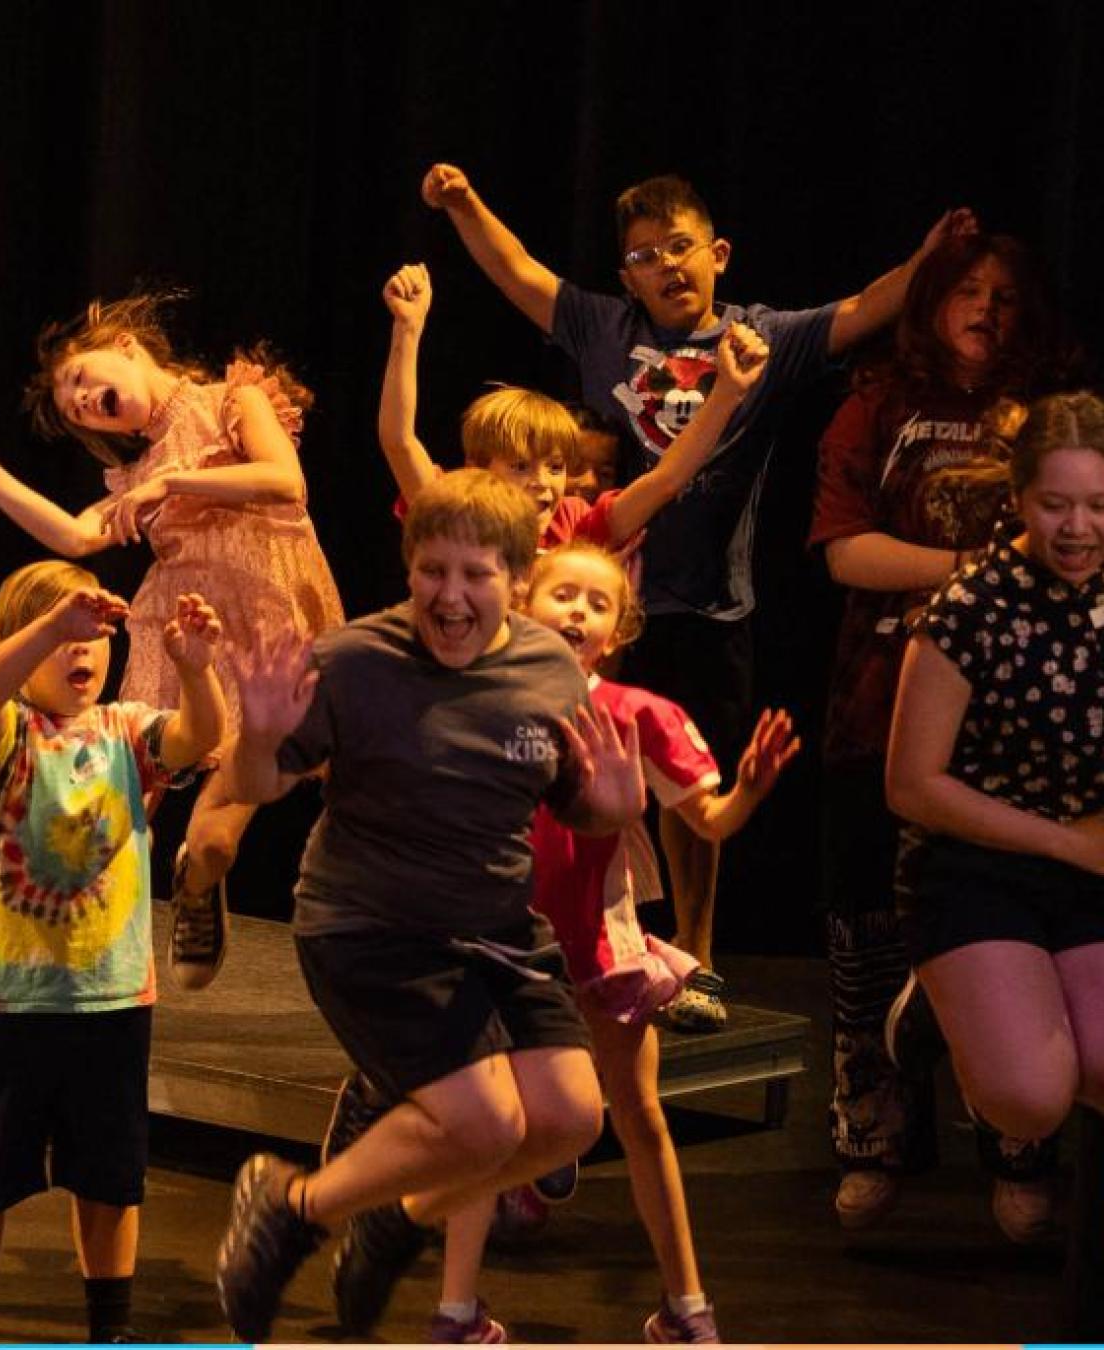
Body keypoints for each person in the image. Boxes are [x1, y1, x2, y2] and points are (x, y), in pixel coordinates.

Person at [423, 162, 974, 1028]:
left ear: (716, 252)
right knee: (558, 767)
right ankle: (588, 942)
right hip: (591, 605)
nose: (666, 266)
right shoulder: (604, 327)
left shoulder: (762, 338)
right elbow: (517, 271)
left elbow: (869, 307)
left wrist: (931, 260)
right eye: (644, 255)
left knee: (688, 784)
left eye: (680, 247)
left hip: (706, 604)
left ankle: (699, 955)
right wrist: (463, 204)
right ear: (626, 276)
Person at [212, 469, 644, 1343]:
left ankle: (391, 1215)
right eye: (431, 572)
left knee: (567, 1119)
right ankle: (294, 1204)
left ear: (515, 582)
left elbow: (580, 808)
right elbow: (248, 784)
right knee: (482, 1122)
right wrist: (258, 738)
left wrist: (618, 803)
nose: (450, 597)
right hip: (369, 927)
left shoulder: (547, 667)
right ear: (408, 569)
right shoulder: (352, 662)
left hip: (496, 929)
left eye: (474, 576)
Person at [419, 540, 801, 1344]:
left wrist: (750, 795)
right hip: (497, 943)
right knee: (492, 1125)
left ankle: (686, 1309)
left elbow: (711, 820)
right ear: (524, 605)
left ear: (618, 632)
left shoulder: (639, 714)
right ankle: (456, 1312)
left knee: (638, 1115)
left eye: (598, 604)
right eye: (564, 594)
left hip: (598, 947)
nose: (579, 612)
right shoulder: (479, 698)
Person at [0, 292, 344, 992]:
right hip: (178, 628)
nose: (84, 402)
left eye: (83, 382)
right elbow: (76, 535)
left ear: (125, 346)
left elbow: (284, 482)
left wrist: (174, 481)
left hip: (268, 621)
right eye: (74, 408)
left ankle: (198, 883)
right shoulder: (137, 473)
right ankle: (54, 949)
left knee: (211, 841)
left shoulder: (233, 402)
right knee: (111, 800)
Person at [812, 232, 1078, 1236]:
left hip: (1017, 730)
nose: (987, 309)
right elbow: (844, 553)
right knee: (869, 941)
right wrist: (982, 574)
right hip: (879, 704)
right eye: (967, 291)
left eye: (1006, 295)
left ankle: (1018, 1149)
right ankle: (878, 1140)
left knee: (1016, 931)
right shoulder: (877, 402)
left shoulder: (1049, 417)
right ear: (930, 303)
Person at [0, 562, 228, 1345]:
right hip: (8, 1002)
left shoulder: (127, 729)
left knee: (110, 1177)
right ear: (23, 646)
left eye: (95, 636)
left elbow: (204, 736)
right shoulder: (6, 735)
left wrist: (198, 673)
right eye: (65, 635)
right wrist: (46, 625)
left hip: (111, 999)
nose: (82, 649)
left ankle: (111, 1329)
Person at [883, 390, 1104, 1256]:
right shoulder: (974, 603)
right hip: (974, 863)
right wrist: (1070, 842)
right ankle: (936, 1008)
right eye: (1056, 504)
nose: (1079, 527)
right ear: (1018, 498)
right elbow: (911, 785)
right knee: (1027, 1100)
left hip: (1088, 862)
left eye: (1097, 506)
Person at [377, 262, 771, 556]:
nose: (542, 482)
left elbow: (665, 480)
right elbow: (398, 440)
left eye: (554, 466)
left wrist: (727, 393)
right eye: (520, 466)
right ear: (477, 471)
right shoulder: (454, 511)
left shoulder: (576, 524)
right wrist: (407, 329)